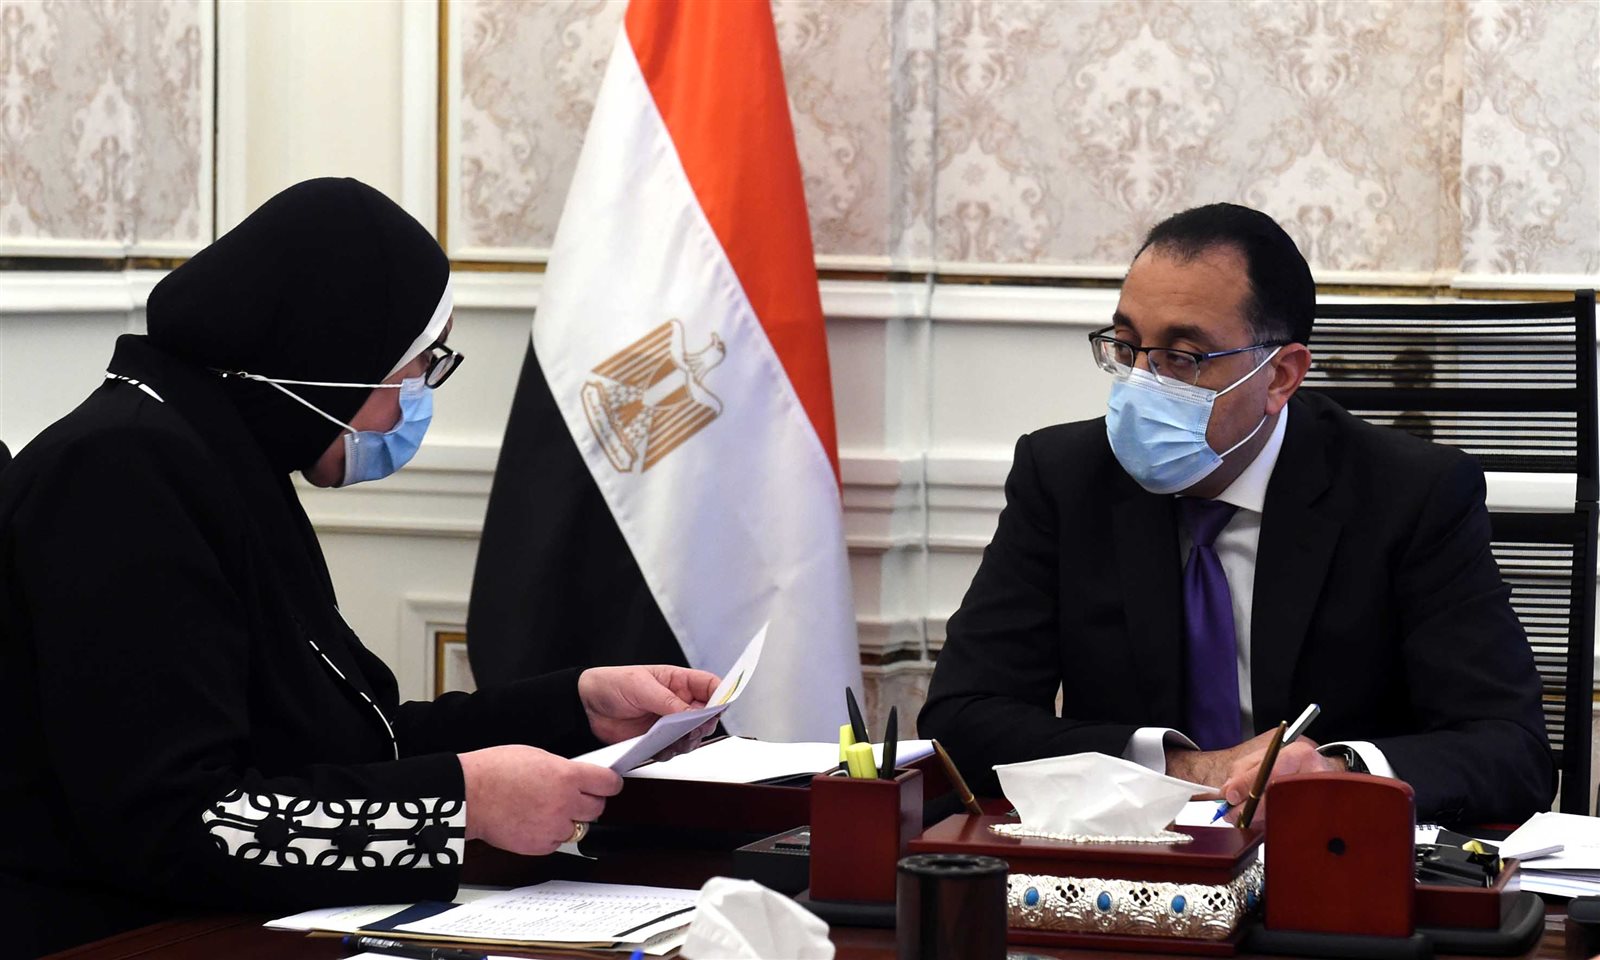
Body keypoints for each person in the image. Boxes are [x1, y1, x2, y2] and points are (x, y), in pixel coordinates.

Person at [0, 179, 720, 957]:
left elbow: (350, 743)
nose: (417, 400)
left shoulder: (221, 459)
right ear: (332, 352)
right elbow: (175, 824)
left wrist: (576, 708)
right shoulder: (118, 476)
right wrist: (461, 807)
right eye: (421, 366)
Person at [919, 202, 1554, 826]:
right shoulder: (1065, 477)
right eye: (1128, 346)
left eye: (1183, 356)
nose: (1141, 383)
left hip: (1324, 861)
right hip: (1127, 861)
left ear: (1280, 376)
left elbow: (1511, 749)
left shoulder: (1410, 495)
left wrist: (1336, 772)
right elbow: (961, 718)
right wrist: (1181, 767)